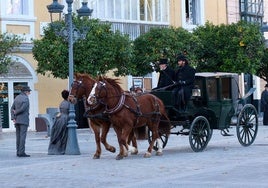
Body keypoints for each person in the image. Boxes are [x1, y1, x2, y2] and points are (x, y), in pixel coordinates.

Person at [10, 86, 32, 157]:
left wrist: (13, 117)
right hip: (23, 120)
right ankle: (21, 152)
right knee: (22, 137)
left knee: (18, 137)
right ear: (25, 92)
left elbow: (12, 108)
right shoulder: (26, 98)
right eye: (29, 91)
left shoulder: (17, 97)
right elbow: (23, 109)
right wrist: (16, 112)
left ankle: (18, 152)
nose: (29, 93)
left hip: (17, 120)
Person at [48, 90, 70, 155]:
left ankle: (53, 149)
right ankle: (61, 150)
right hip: (65, 119)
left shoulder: (62, 103)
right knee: (63, 135)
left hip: (59, 118)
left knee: (56, 133)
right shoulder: (68, 103)